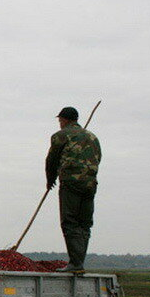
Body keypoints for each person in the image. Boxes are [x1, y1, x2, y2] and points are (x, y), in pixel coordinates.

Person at [45, 106, 102, 273]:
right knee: (84, 224)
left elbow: (51, 160)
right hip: (90, 184)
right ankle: (79, 262)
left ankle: (75, 264)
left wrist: (50, 180)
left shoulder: (60, 136)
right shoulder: (92, 137)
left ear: (64, 120)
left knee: (69, 222)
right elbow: (98, 157)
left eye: (60, 120)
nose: (59, 123)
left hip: (71, 183)